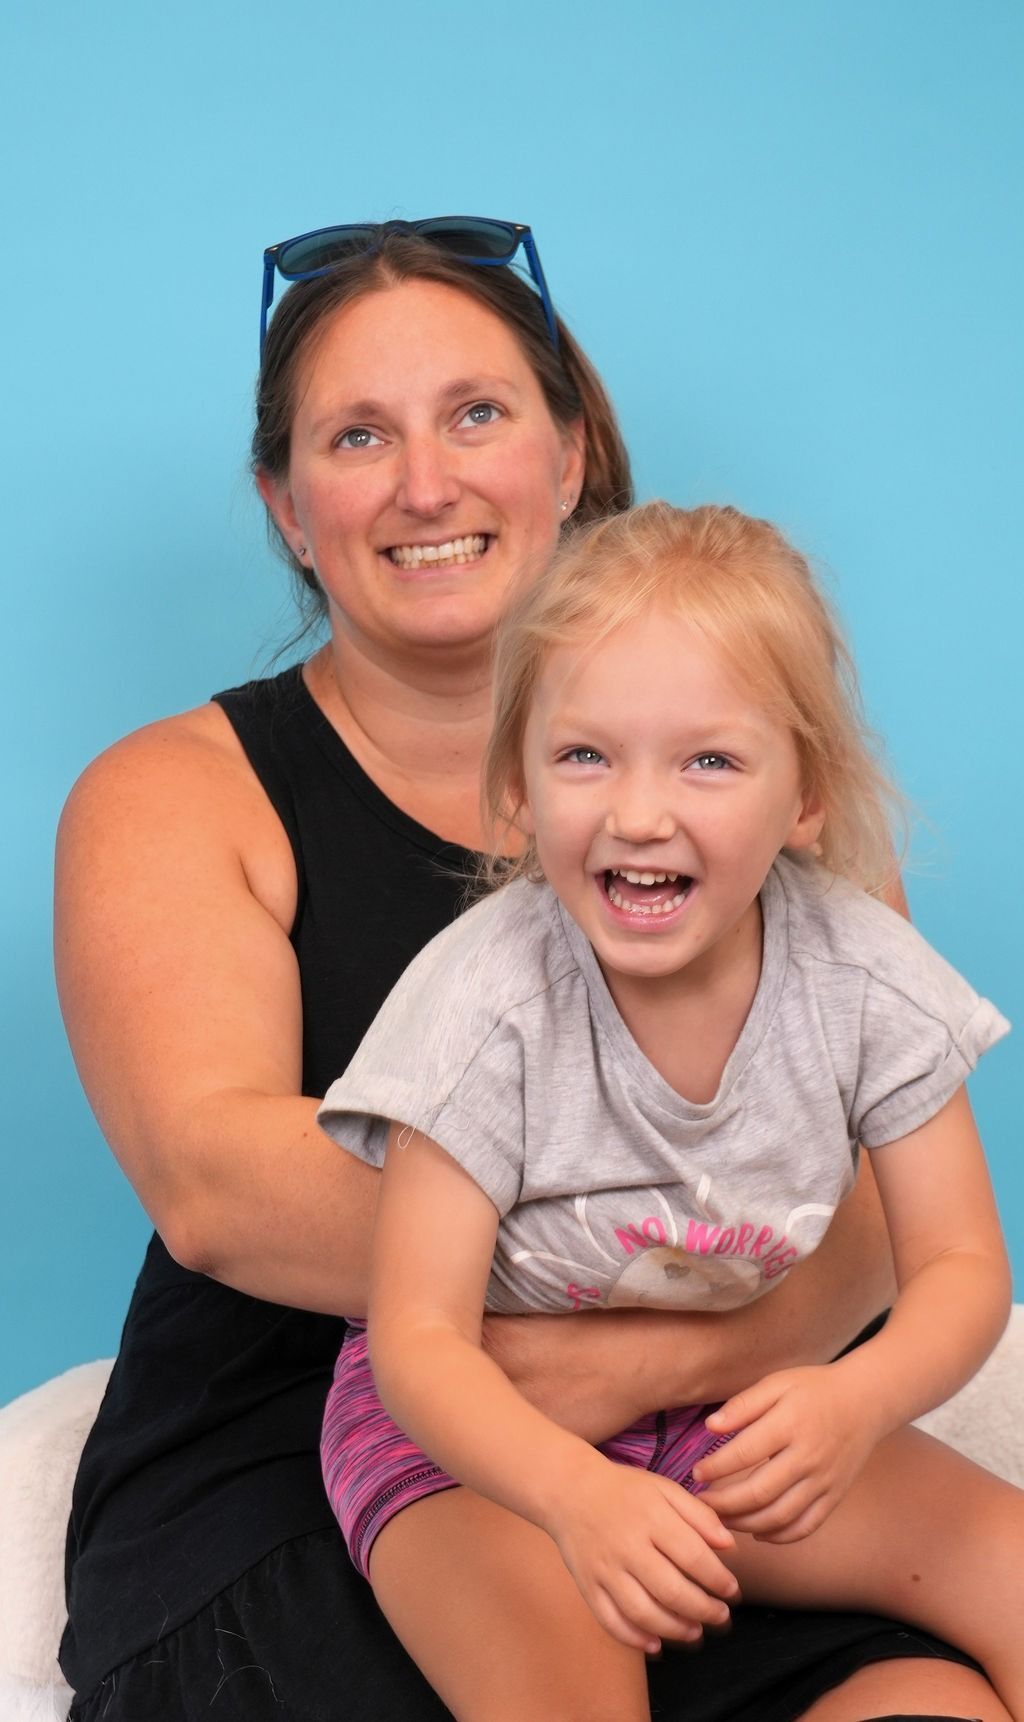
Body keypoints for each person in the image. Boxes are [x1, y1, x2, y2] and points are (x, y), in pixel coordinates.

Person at [54, 219, 1010, 1722]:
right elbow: (220, 1185)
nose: (425, 482)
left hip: (718, 1433)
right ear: (287, 506)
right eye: (357, 434)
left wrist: (660, 1366)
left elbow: (906, 1193)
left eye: (477, 414)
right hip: (316, 1466)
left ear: (571, 454)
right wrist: (686, 1243)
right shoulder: (182, 794)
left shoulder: (776, 792)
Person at [317, 498, 1021, 1721]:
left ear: (805, 796)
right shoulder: (484, 1002)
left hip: (716, 1416)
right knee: (568, 1688)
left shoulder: (864, 976)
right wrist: (573, 1497)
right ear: (521, 789)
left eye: (709, 760)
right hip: (477, 1436)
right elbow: (418, 1342)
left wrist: (855, 1399)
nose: (639, 812)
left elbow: (960, 1265)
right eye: (584, 755)